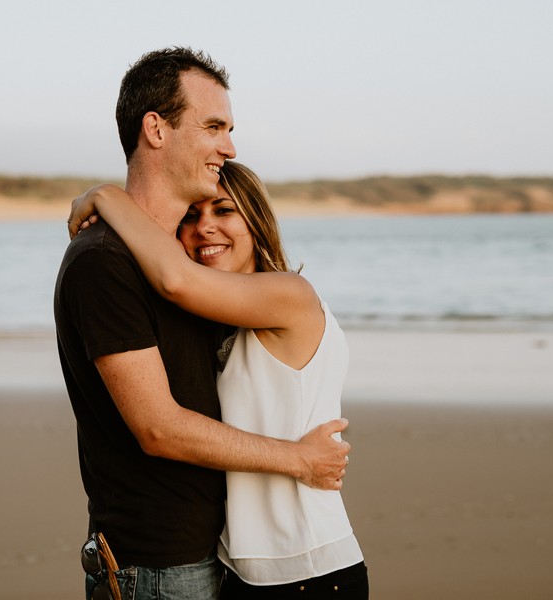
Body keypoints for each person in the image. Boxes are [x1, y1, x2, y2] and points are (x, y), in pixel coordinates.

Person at [54, 47, 351, 600]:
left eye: (230, 129)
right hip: (160, 566)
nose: (229, 146)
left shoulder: (201, 275)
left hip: (232, 561)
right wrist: (298, 459)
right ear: (156, 129)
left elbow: (179, 285)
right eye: (214, 126)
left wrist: (105, 196)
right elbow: (159, 427)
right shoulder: (105, 260)